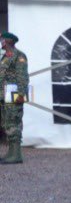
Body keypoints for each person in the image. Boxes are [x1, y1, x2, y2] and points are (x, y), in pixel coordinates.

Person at [0, 31, 29, 165]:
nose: (1, 42)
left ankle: (16, 155)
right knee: (7, 124)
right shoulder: (5, 57)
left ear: (8, 41)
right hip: (4, 96)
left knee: (14, 123)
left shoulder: (19, 56)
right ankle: (11, 153)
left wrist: (22, 94)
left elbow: (22, 76)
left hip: (14, 95)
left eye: (2, 40)